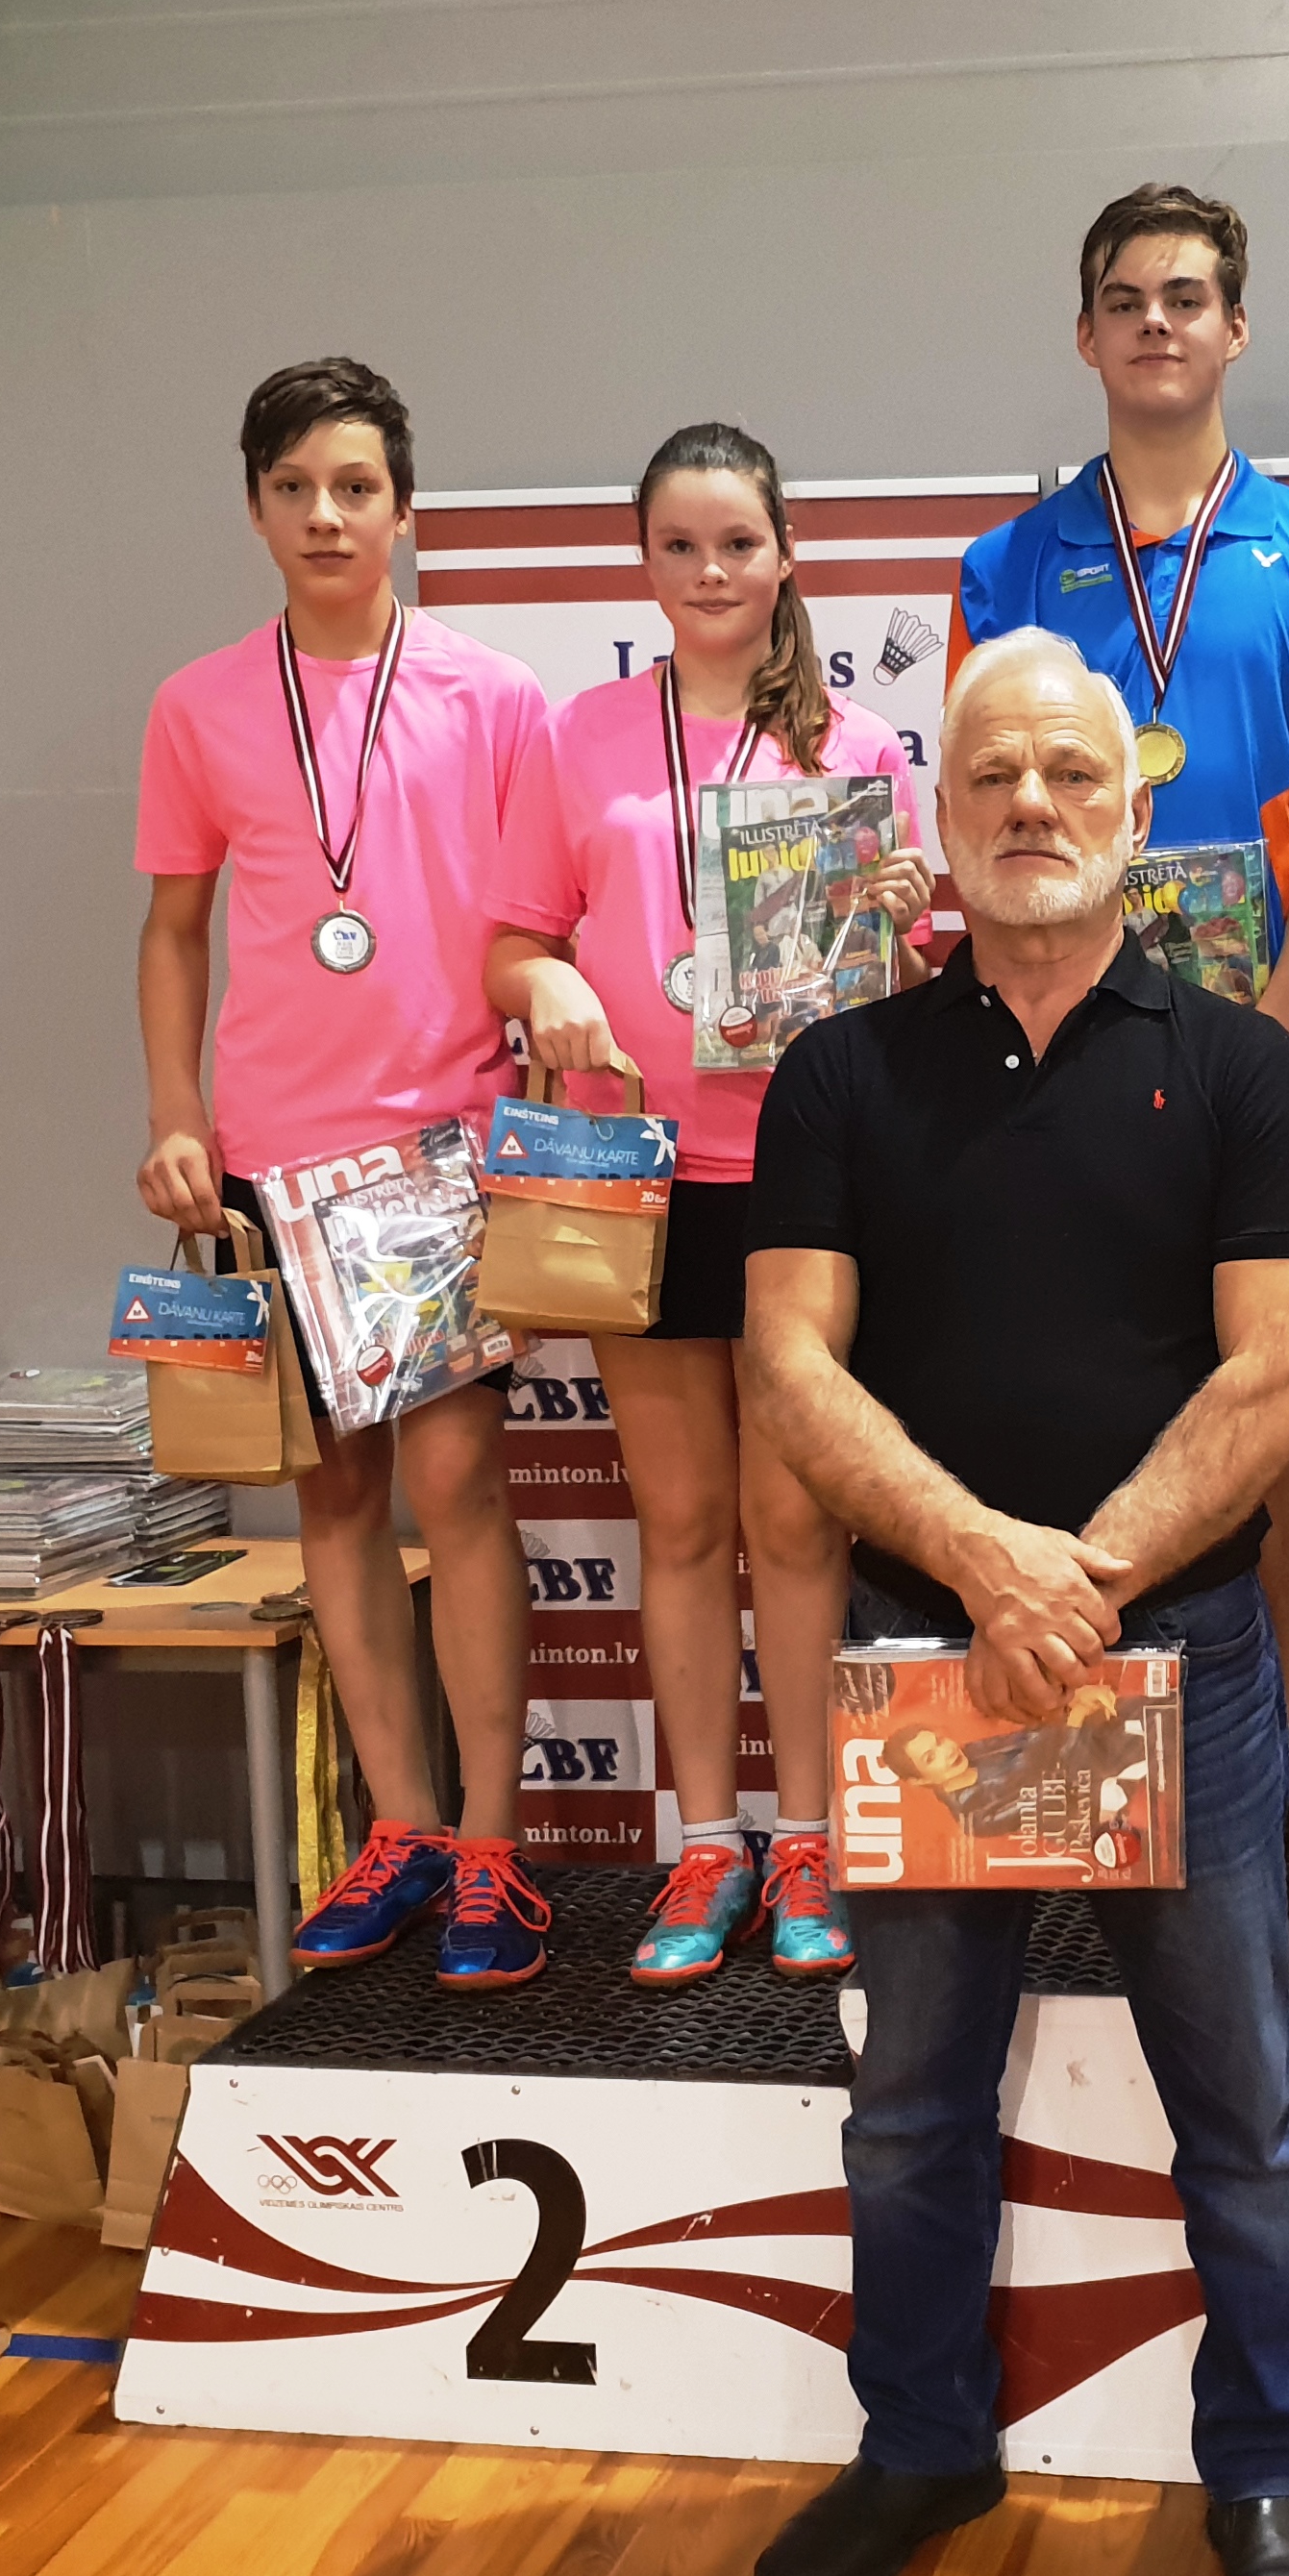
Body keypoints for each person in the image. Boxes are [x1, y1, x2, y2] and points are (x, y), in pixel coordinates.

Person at [740, 629, 1289, 2576]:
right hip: (932, 1673)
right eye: (992, 771)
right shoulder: (841, 1074)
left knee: (1243, 2111)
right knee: (908, 2105)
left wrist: (1071, 1577)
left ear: (1135, 810)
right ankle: (921, 2447)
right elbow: (789, 1366)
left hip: (1172, 1658)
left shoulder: (1245, 1070)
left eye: (1071, 773)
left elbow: (1279, 1376)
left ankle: (1262, 2472)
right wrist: (981, 1567)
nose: (1031, 804)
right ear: (939, 808)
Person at [485, 422, 935, 1985]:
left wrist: (901, 930)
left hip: (805, 1176)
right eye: (678, 545)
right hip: (640, 1176)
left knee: (794, 1521)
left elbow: (906, 991)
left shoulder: (856, 746)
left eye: (736, 542)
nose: (710, 571)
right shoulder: (579, 736)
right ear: (644, 563)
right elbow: (512, 944)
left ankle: (807, 1837)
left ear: (785, 553)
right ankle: (706, 1842)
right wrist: (545, 984)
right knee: (676, 1522)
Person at [135, 357, 552, 1987]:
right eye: (295, 487)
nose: (327, 514)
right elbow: (174, 932)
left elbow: (534, 923)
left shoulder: (491, 696)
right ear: (255, 508)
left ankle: (495, 1848)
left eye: (356, 487)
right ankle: (404, 1829)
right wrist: (177, 1111)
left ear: (403, 508)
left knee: (461, 1486)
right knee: (335, 1498)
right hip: (270, 1166)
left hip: (444, 1145)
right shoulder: (197, 705)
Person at [952, 185, 1289, 1805]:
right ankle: (1073, 1695)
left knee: (1286, 1395)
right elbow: (986, 805)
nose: (1154, 324)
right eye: (1124, 300)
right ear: (1084, 335)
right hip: (1068, 1039)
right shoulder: (1007, 564)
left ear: (1233, 328)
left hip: (1274, 1037)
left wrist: (1275, 1029)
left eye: (1185, 297)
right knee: (1072, 1359)